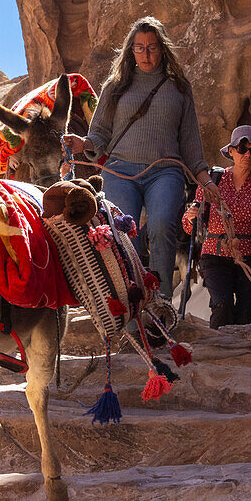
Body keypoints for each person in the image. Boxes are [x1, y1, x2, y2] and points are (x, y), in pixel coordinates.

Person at [63, 16, 219, 298]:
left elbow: (191, 144)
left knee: (161, 226)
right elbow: (99, 134)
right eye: (139, 48)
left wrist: (206, 181)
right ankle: (132, 303)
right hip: (121, 170)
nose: (146, 54)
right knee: (124, 233)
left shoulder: (179, 88)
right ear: (130, 51)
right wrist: (81, 143)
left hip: (165, 171)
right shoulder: (116, 85)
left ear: (162, 49)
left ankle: (161, 302)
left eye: (152, 47)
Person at [182, 126, 251, 328]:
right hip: (216, 255)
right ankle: (214, 357)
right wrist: (191, 216)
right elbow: (189, 226)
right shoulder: (213, 180)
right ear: (231, 151)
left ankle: (240, 358)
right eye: (242, 148)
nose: (247, 154)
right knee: (222, 307)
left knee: (247, 317)